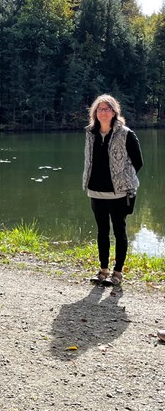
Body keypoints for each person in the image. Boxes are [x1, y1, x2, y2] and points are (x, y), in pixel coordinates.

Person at [83, 94, 143, 285]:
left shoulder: (126, 134)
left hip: (119, 192)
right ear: (95, 112)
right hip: (95, 191)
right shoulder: (90, 132)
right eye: (99, 109)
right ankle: (103, 271)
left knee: (119, 231)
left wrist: (123, 180)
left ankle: (117, 273)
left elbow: (138, 162)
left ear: (114, 111)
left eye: (107, 109)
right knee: (102, 231)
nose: (103, 112)